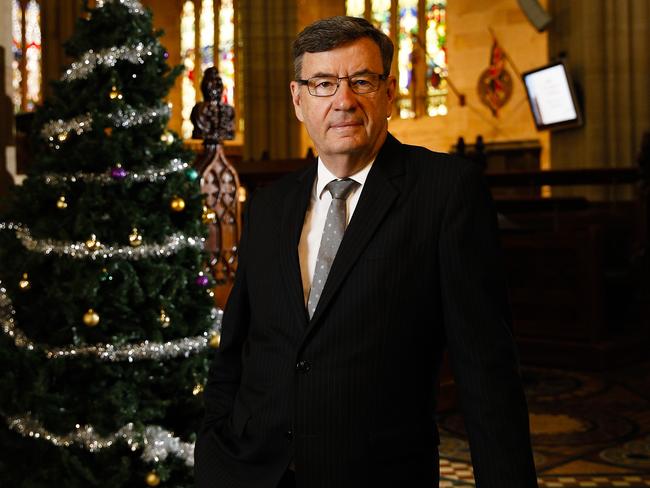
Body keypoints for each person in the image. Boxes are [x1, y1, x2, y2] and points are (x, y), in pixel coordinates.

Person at [195, 16, 538, 488]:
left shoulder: (445, 193)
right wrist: (212, 451)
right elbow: (236, 349)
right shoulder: (269, 208)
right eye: (322, 83)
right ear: (298, 99)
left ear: (389, 92)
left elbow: (486, 371)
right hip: (252, 470)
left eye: (361, 80)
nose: (343, 101)